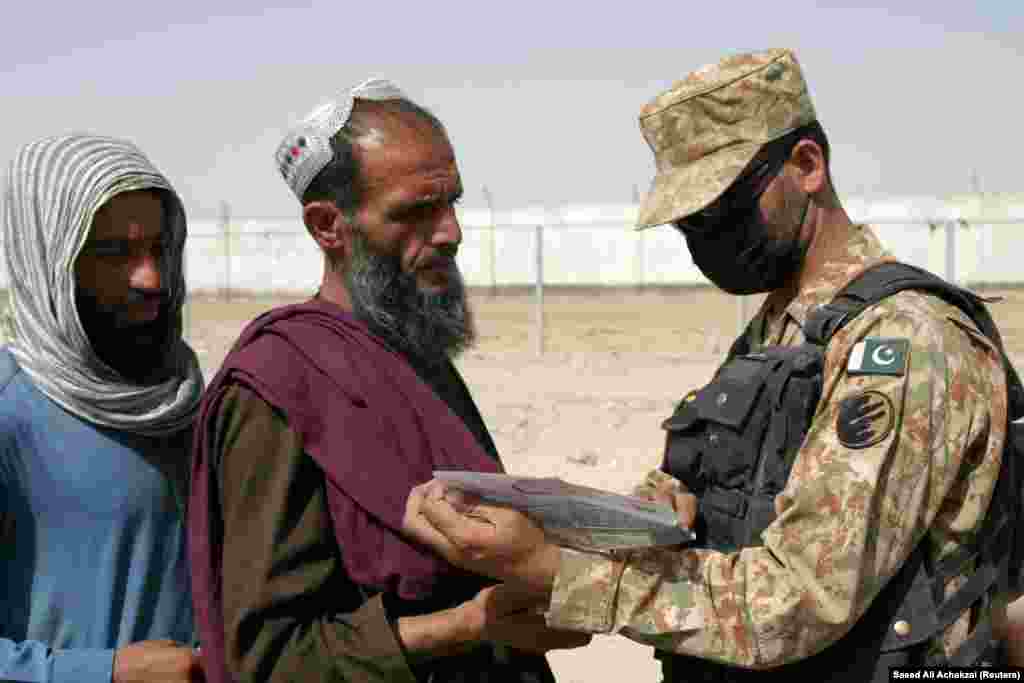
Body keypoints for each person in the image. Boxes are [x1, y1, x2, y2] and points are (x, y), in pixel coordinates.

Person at [403, 48, 1017, 680]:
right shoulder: (786, 327)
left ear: (807, 166)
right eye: (687, 222)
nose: (704, 237)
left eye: (720, 209)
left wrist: (561, 573)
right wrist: (645, 510)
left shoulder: (904, 339)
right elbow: (723, 482)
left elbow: (800, 599)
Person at [187, 78, 588, 683]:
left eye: (451, 202)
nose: (450, 231)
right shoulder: (278, 385)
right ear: (328, 226)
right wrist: (465, 627)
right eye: (416, 212)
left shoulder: (418, 359)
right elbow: (266, 661)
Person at [0, 133, 205, 682]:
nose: (151, 279)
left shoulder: (183, 397)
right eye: (115, 253)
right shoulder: (9, 407)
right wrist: (105, 672)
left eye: (159, 248)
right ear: (49, 255)